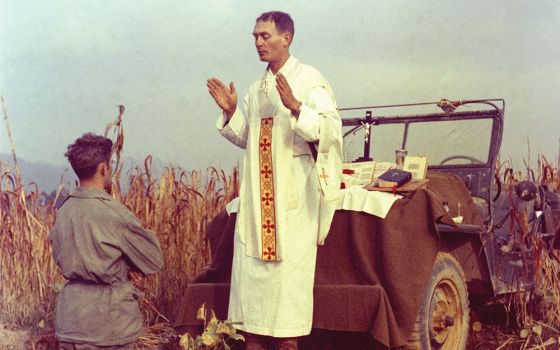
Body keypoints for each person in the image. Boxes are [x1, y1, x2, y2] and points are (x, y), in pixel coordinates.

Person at [207, 11, 342, 350]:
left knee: (287, 311)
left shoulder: (311, 81)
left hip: (292, 210)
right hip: (257, 210)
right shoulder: (257, 89)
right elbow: (247, 138)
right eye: (255, 36)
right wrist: (231, 111)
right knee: (252, 311)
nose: (258, 42)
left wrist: (298, 108)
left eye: (265, 36)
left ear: (287, 38)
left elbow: (330, 131)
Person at [49, 133, 164, 349]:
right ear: (103, 168)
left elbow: (60, 255)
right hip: (109, 327)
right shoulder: (114, 214)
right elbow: (153, 260)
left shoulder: (63, 210)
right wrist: (125, 265)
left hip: (70, 323)